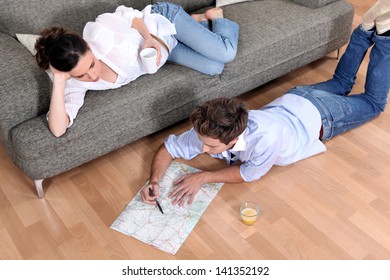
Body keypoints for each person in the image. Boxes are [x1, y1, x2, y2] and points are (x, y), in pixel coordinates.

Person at [141, 2, 390, 207]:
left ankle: (384, 36)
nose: (202, 149)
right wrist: (154, 181)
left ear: (234, 138)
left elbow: (248, 173)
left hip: (322, 116)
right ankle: (364, 30)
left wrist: (204, 176)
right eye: (204, 143)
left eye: (210, 146)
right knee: (341, 81)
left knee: (373, 102)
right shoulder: (213, 129)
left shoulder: (266, 139)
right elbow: (169, 148)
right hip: (298, 98)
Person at [34, 2, 239, 137]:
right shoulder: (73, 83)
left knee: (226, 53)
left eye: (92, 65)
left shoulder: (100, 31)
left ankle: (217, 16)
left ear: (88, 47)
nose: (93, 76)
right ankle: (196, 24)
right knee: (214, 66)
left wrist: (148, 38)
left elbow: (131, 15)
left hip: (162, 21)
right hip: (169, 49)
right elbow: (58, 130)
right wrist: (59, 81)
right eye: (82, 75)